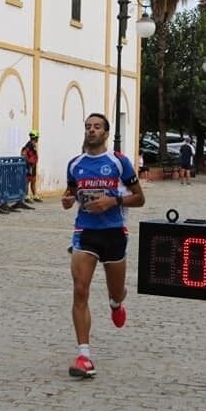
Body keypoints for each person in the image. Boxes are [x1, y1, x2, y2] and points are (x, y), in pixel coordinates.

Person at [61, 113, 145, 378]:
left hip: (114, 232)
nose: (92, 131)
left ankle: (116, 304)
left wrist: (112, 202)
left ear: (107, 133)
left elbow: (140, 198)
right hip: (85, 231)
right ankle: (84, 356)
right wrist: (67, 200)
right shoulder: (75, 164)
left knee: (116, 290)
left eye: (97, 127)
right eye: (88, 127)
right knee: (80, 289)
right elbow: (71, 193)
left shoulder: (119, 163)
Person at [22, 130, 40, 201]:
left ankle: (34, 195)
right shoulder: (29, 144)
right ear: (35, 137)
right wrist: (28, 161)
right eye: (37, 137)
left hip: (33, 165)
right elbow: (24, 153)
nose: (37, 139)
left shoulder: (33, 145)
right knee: (27, 180)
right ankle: (26, 195)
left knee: (33, 180)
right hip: (29, 165)